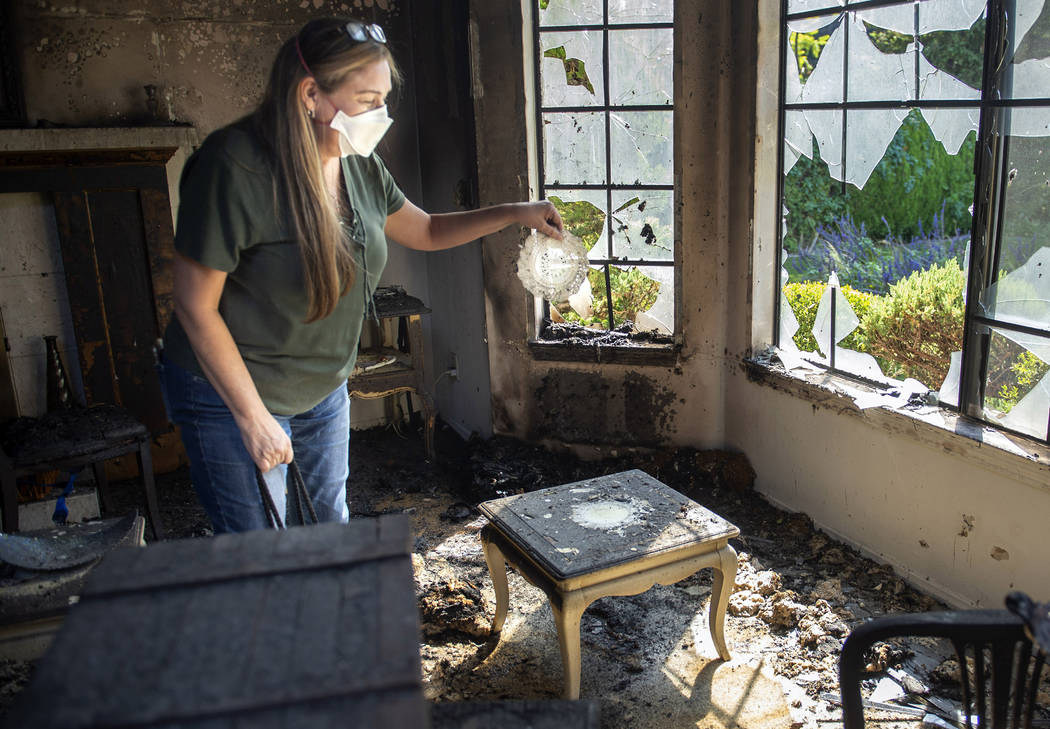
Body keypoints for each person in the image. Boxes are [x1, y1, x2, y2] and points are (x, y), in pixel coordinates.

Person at [159, 17, 563, 534]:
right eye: (368, 99)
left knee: (330, 533)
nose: (382, 115)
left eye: (384, 99)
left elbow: (430, 229)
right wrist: (254, 419)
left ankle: (325, 615)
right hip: (233, 392)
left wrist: (515, 212)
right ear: (310, 94)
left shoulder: (357, 163)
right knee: (261, 552)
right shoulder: (234, 168)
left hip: (321, 388)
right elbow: (195, 306)